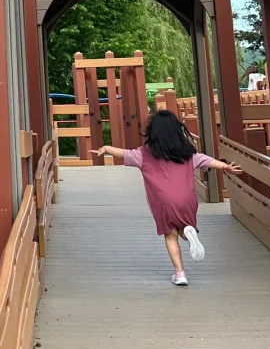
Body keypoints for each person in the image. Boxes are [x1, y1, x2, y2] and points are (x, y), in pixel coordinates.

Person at [93, 109, 242, 287]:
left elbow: (124, 153)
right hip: (187, 199)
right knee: (183, 225)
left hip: (164, 202)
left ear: (153, 132)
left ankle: (180, 273)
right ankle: (188, 231)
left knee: (170, 235)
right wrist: (225, 167)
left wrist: (106, 148)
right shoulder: (187, 153)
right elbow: (206, 160)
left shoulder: (145, 154)